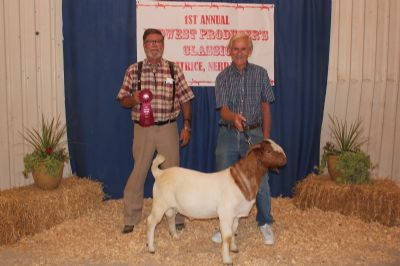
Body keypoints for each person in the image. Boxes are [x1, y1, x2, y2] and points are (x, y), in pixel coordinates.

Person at [117, 28, 194, 234]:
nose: (154, 45)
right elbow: (122, 99)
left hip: (168, 127)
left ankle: (176, 216)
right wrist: (134, 98)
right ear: (144, 45)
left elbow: (186, 99)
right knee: (139, 171)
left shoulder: (173, 69)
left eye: (158, 41)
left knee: (173, 174)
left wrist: (186, 125)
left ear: (163, 44)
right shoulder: (134, 70)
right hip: (143, 130)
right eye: (150, 42)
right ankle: (131, 217)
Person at [213, 33, 275, 244]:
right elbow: (223, 111)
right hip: (228, 134)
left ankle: (265, 222)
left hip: (255, 133)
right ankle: (224, 226)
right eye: (235, 49)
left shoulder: (260, 74)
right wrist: (234, 118)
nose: (239, 53)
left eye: (243, 49)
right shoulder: (222, 77)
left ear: (249, 51)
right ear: (229, 51)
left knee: (261, 181)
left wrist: (265, 140)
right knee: (224, 180)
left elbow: (266, 108)